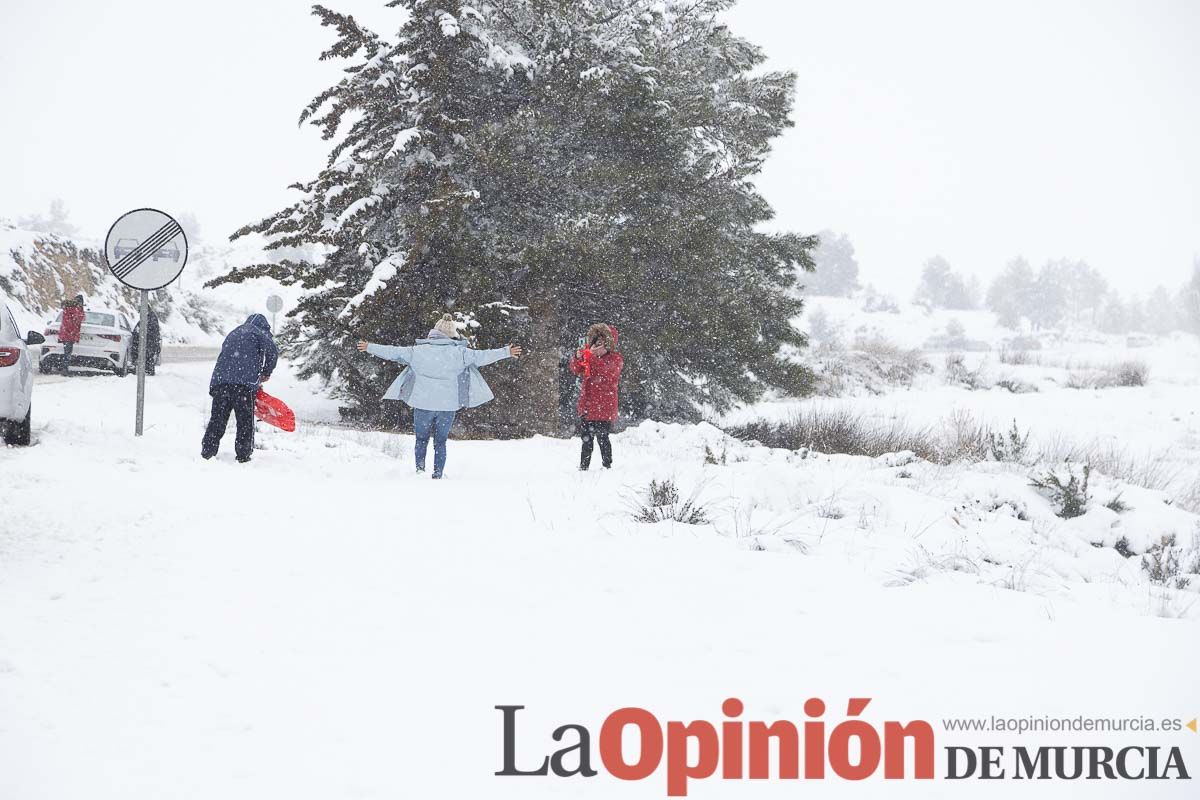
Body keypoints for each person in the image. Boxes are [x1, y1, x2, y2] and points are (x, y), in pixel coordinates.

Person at [357, 314, 522, 479]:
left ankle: (420, 471)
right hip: (447, 406)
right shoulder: (461, 353)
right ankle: (438, 474)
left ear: (433, 333)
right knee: (440, 441)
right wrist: (506, 351)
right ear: (452, 335)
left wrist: (369, 347)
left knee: (421, 439)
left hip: (423, 404)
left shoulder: (417, 351)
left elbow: (392, 352)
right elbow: (484, 356)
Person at [201, 314, 278, 463]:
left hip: (221, 383)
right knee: (245, 421)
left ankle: (207, 452)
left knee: (217, 419)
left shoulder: (235, 332)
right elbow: (273, 352)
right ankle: (243, 454)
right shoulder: (259, 333)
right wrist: (266, 373)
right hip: (243, 386)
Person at [568, 323, 623, 470]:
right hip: (588, 406)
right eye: (595, 342)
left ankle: (607, 465)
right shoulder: (591, 358)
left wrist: (590, 356)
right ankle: (583, 467)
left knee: (603, 438)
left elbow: (605, 371)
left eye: (600, 343)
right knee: (586, 439)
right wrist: (578, 357)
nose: (596, 346)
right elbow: (576, 369)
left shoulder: (615, 359)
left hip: (604, 407)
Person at [58, 295, 85, 376]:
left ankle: (63, 367)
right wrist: (81, 310)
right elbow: (80, 318)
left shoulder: (67, 309)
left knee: (67, 352)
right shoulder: (76, 310)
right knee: (68, 353)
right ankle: (65, 369)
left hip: (65, 333)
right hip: (70, 334)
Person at [131, 307, 162, 375]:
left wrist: (139, 334)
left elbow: (152, 330)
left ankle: (149, 371)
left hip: (150, 342)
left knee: (148, 356)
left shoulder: (150, 318)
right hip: (150, 342)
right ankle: (148, 370)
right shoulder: (148, 317)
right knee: (148, 357)